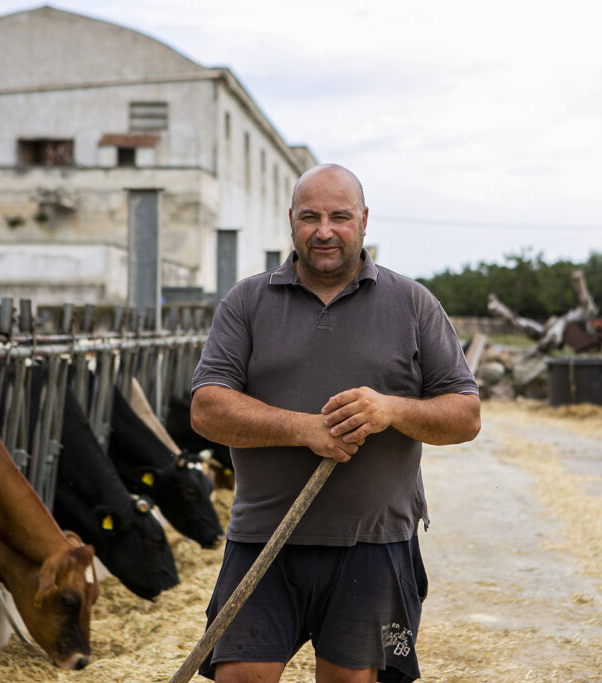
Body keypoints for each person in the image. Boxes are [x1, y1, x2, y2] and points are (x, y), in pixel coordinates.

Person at [190, 163, 481, 683]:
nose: (324, 231)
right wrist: (305, 429)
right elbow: (208, 408)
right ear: (292, 221)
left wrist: (391, 410)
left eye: (339, 217)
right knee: (241, 676)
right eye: (311, 217)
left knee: (350, 681)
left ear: (364, 221)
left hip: (373, 542)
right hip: (264, 535)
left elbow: (465, 415)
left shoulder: (412, 303)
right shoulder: (247, 302)